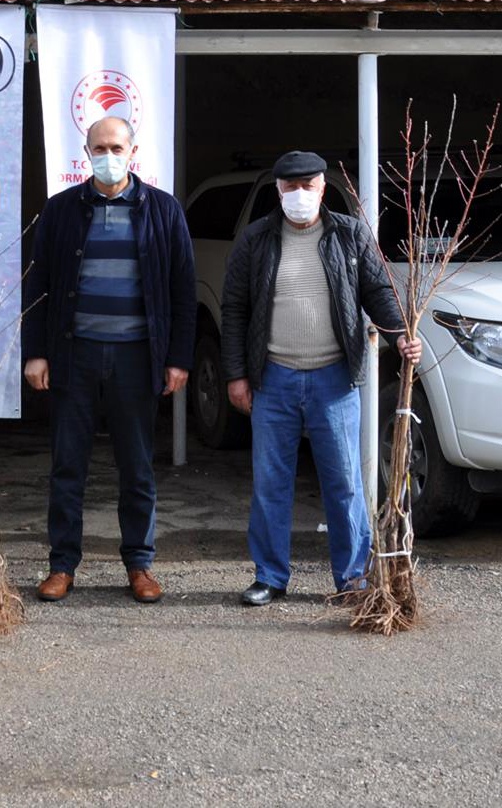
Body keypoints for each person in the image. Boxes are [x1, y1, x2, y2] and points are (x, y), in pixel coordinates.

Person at [222, 151, 421, 606]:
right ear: (277, 191)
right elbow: (234, 309)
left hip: (335, 379)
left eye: (307, 186)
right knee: (270, 483)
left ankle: (352, 578)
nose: (299, 194)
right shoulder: (256, 239)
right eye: (290, 187)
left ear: (323, 188)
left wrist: (400, 335)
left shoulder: (350, 234)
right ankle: (270, 576)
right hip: (273, 377)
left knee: (345, 482)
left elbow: (377, 292)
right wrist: (236, 374)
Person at [23, 117, 195, 604]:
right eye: (99, 148)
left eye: (116, 147)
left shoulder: (163, 209)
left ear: (132, 151)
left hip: (137, 358)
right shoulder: (61, 210)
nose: (108, 156)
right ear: (86, 152)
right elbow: (38, 285)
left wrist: (178, 358)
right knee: (67, 465)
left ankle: (140, 564)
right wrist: (36, 352)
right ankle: (62, 565)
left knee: (136, 466)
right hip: (74, 355)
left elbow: (183, 290)